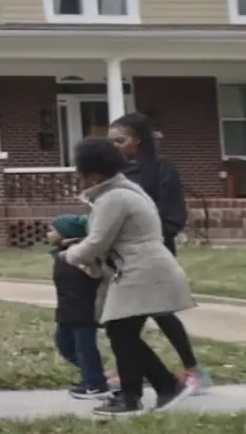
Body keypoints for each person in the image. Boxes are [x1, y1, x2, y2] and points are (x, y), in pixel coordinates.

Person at [60, 137, 196, 416]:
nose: (79, 179)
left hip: (140, 271)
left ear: (93, 175)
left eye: (80, 173)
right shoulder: (125, 191)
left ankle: (138, 396)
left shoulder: (113, 198)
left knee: (121, 332)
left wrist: (69, 255)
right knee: (123, 333)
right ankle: (159, 387)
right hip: (142, 269)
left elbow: (96, 243)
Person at [109, 113, 206, 394]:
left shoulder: (162, 170)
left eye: (120, 141)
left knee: (157, 312)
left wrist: (149, 237)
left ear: (138, 140)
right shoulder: (117, 175)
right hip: (122, 256)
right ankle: (129, 369)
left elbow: (173, 217)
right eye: (111, 142)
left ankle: (192, 371)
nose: (114, 147)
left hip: (155, 252)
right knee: (127, 317)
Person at [48, 214, 110, 401]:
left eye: (53, 230)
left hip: (83, 311)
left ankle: (95, 384)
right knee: (65, 345)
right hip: (67, 309)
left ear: (65, 233)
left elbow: (96, 275)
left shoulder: (80, 254)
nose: (49, 234)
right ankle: (94, 374)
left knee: (85, 348)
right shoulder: (61, 252)